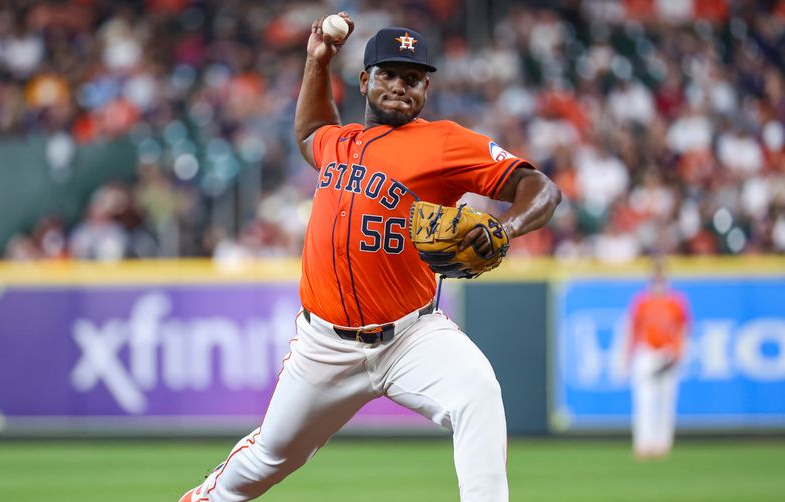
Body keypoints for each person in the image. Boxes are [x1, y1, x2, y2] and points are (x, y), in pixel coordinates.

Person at [180, 13, 560, 502]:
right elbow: (310, 130)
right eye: (389, 75)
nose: (401, 87)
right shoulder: (337, 143)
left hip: (411, 334)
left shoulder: (444, 141)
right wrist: (317, 62)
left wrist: (505, 229)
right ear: (365, 81)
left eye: (413, 79)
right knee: (269, 456)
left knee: (478, 393)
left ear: (426, 89)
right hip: (324, 345)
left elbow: (540, 188)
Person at [627, 256, 691, 459]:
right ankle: (644, 443)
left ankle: (663, 444)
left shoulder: (676, 301)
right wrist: (627, 355)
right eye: (655, 273)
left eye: (661, 273)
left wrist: (680, 353)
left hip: (668, 353)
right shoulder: (642, 301)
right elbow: (632, 329)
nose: (658, 277)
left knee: (666, 401)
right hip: (647, 352)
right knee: (644, 400)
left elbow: (683, 329)